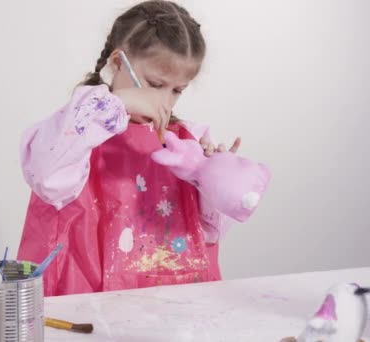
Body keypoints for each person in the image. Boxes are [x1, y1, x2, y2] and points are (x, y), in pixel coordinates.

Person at [18, 0, 249, 296]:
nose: (164, 101)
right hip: (87, 302)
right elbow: (46, 175)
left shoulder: (188, 139)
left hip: (169, 309)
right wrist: (117, 104)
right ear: (117, 63)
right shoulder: (78, 128)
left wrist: (212, 179)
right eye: (154, 84)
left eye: (177, 90)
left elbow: (207, 233)